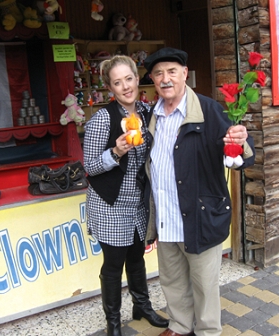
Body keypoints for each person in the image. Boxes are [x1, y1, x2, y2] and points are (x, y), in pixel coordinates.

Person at [143, 47, 256, 336]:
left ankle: (207, 331)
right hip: (167, 216)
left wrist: (241, 142)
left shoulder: (208, 110)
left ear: (184, 74)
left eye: (171, 72)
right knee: (172, 280)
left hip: (200, 216)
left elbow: (240, 157)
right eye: (158, 74)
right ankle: (180, 326)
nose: (165, 79)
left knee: (204, 285)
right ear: (153, 81)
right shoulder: (151, 117)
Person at [83, 55, 169, 336]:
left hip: (138, 202)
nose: (125, 87)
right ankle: (113, 322)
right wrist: (116, 153)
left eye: (129, 79)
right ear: (110, 88)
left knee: (137, 257)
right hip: (109, 204)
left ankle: (142, 306)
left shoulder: (146, 113)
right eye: (117, 83)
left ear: (136, 77)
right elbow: (90, 167)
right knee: (113, 264)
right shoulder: (102, 119)